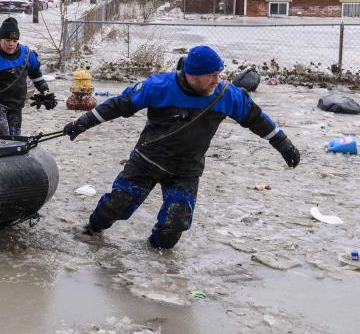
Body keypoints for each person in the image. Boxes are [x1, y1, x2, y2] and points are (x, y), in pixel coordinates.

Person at [67, 45, 301, 249]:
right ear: (192, 74)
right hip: (147, 160)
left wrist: (282, 143)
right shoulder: (158, 86)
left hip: (186, 169)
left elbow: (255, 118)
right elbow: (118, 105)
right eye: (211, 76)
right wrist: (82, 123)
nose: (217, 80)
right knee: (117, 205)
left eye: (218, 74)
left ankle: (155, 257)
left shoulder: (225, 95)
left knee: (174, 224)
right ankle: (91, 231)